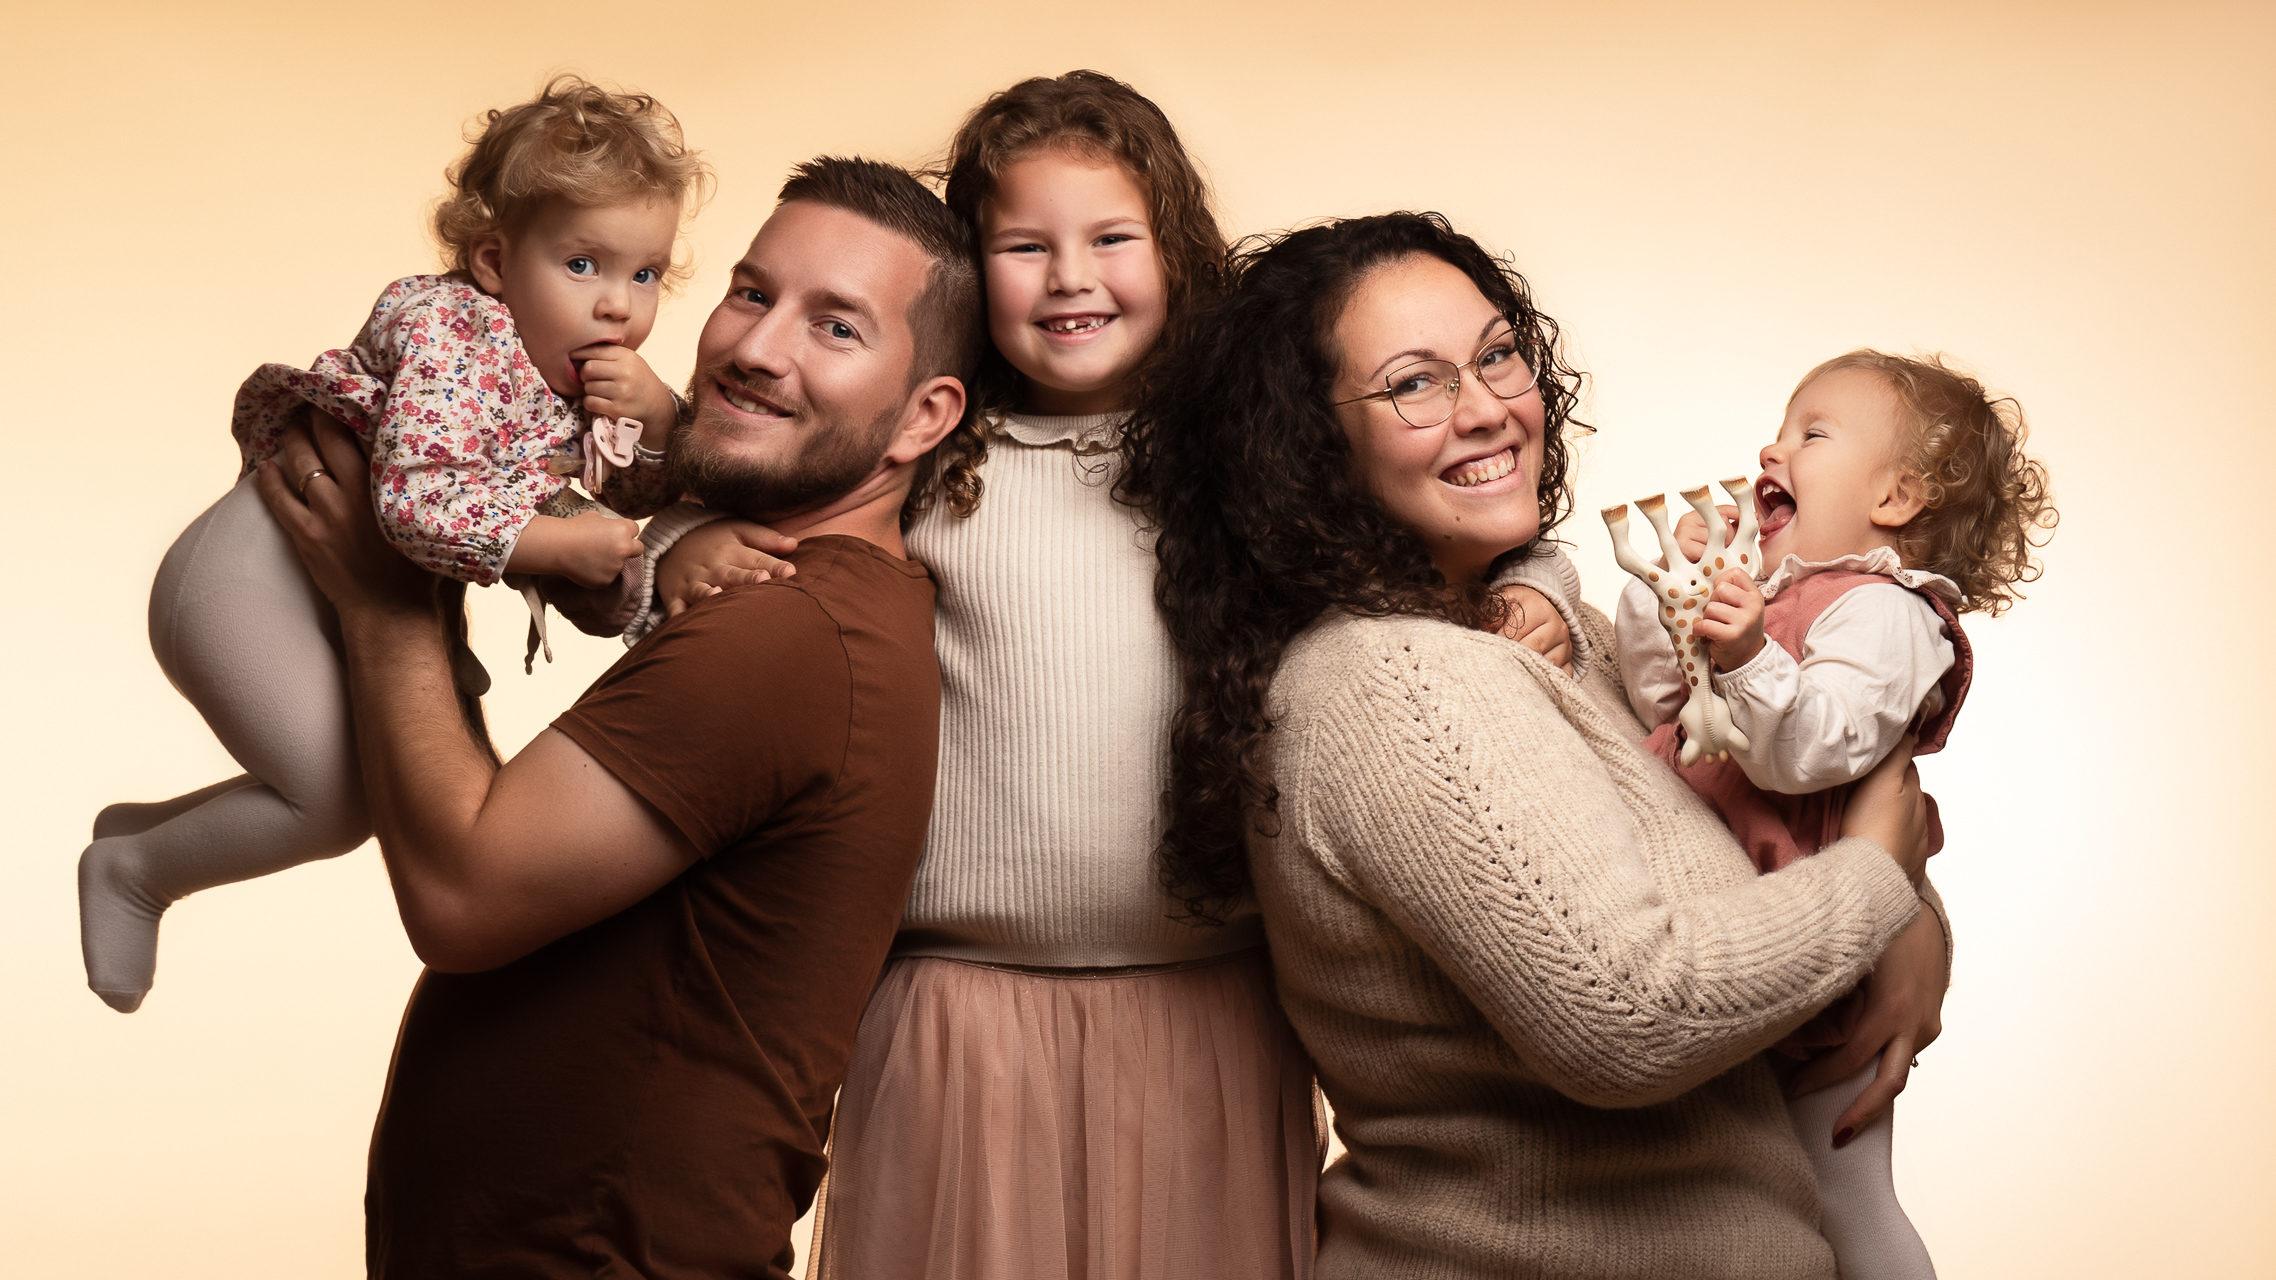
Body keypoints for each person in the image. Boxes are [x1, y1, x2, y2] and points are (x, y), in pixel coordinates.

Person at [1134, 210, 1952, 1279]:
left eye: (1496, 355)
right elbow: (1630, 1017)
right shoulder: (1393, 686)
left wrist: (1910, 925)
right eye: (1414, 384)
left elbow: (1778, 823)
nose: (1484, 410)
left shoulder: (1555, 644)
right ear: (1307, 446)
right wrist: (1880, 883)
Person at [643, 72, 1322, 1280]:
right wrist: (675, 545)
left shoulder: (1250, 458)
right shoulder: (928, 450)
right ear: (972, 266)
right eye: (1024, 244)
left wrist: (1529, 573)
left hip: (1213, 1009)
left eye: (1110, 238)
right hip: (955, 1013)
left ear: (1174, 245)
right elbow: (720, 482)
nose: (1070, 276)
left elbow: (1436, 516)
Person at [253, 155, 981, 1279]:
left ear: (921, 417)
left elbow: (462, 895)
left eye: (835, 328)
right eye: (751, 292)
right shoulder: (778, 589)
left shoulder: (784, 630)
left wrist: (386, 597)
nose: (753, 347)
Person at [77, 76, 704, 1012]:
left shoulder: (561, 371)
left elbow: (629, 491)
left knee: (370, 792)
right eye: (583, 265)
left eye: (644, 274)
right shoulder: (450, 331)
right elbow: (413, 504)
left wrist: (655, 418)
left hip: (327, 595)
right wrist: (552, 545)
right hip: (251, 578)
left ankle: (150, 832)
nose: (618, 305)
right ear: (494, 261)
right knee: (336, 801)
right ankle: (137, 870)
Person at [1612, 350, 2055, 1278]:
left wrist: (1741, 654)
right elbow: (1654, 698)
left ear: (1896, 498)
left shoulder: (1888, 613)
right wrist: (1671, 593)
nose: (1772, 450)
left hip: (1822, 961)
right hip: (1729, 937)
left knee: (1843, 1191)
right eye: (1780, 428)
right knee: (1741, 1196)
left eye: (1811, 433)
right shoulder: (1765, 599)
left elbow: (1817, 747)